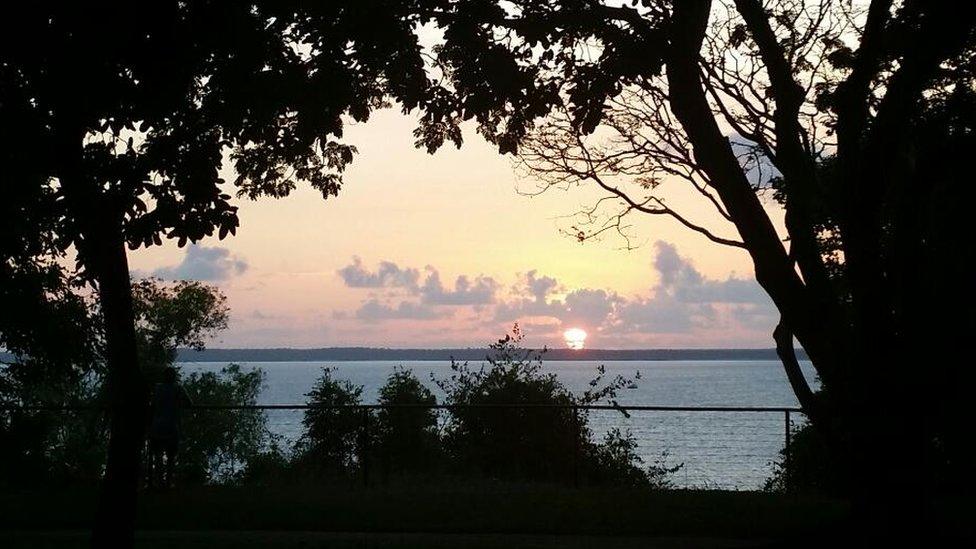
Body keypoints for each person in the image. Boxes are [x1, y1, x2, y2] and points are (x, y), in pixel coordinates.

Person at [148, 367, 192, 488]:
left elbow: (152, 405)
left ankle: (159, 482)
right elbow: (189, 403)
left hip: (157, 425)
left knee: (158, 455)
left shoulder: (157, 388)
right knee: (171, 456)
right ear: (174, 377)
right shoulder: (178, 389)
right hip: (172, 426)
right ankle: (168, 482)